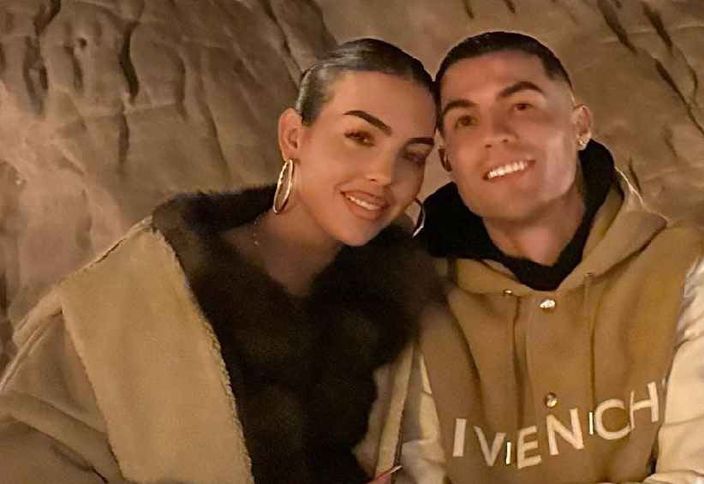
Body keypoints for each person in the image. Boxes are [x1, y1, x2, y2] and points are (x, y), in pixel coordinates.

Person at [0, 38, 440, 483]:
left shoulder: (410, 310)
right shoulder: (138, 294)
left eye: (412, 155)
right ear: (294, 136)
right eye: (360, 137)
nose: (385, 174)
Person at [399, 31, 704, 483]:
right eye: (466, 121)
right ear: (447, 158)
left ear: (580, 126)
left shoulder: (699, 274)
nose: (495, 134)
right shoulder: (421, 302)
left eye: (521, 106)